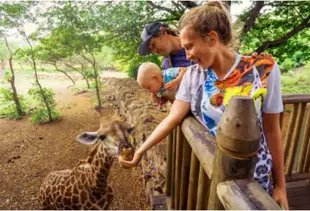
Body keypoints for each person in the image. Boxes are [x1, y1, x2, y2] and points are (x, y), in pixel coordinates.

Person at [121, 2, 288, 209]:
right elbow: (173, 118)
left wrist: (281, 185)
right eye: (184, 48)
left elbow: (273, 130)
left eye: (190, 46)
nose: (188, 55)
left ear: (212, 38)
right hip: (212, 172)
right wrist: (140, 151)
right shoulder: (193, 75)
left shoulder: (263, 70)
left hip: (255, 177)